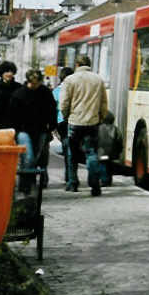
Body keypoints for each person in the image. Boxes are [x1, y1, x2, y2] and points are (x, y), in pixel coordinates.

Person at [60, 55, 109, 196]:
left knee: (72, 154)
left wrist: (66, 116)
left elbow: (64, 103)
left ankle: (72, 183)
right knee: (92, 153)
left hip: (74, 122)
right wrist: (101, 117)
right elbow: (104, 103)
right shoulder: (98, 80)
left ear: (76, 64)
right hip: (92, 122)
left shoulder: (70, 80)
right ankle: (94, 185)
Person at [9, 69, 57, 194]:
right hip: (24, 130)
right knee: (28, 157)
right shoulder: (19, 94)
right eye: (34, 83)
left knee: (39, 157)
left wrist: (51, 126)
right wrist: (16, 130)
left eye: (38, 83)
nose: (36, 86)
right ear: (28, 82)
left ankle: (31, 184)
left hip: (40, 129)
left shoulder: (45, 92)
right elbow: (13, 115)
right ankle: (26, 185)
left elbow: (52, 110)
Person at [53, 66, 76, 187]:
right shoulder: (75, 89)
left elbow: (53, 109)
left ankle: (69, 177)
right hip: (74, 121)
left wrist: (53, 127)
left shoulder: (56, 91)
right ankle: (70, 177)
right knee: (72, 150)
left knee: (67, 149)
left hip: (61, 123)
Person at [97, 110, 121, 187]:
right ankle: (109, 179)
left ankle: (104, 181)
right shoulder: (115, 129)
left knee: (103, 165)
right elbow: (119, 140)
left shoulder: (98, 128)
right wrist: (119, 150)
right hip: (112, 152)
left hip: (101, 151)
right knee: (109, 165)